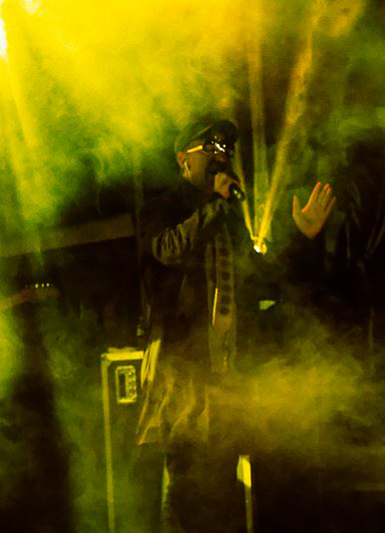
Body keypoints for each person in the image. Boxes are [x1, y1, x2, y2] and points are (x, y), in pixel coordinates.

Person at [136, 117, 335, 533]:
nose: (221, 158)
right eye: (211, 149)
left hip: (225, 374)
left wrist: (302, 238)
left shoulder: (226, 217)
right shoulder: (163, 207)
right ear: (183, 160)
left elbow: (262, 280)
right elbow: (169, 249)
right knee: (188, 483)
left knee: (223, 485)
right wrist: (218, 204)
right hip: (183, 371)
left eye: (226, 151)